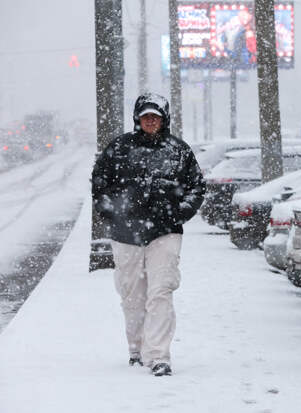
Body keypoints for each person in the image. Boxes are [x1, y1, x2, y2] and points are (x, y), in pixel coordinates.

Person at [91, 93, 206, 376]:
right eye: (146, 116)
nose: (150, 120)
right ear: (137, 118)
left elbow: (196, 187)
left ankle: (159, 356)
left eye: (155, 116)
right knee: (132, 295)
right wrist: (111, 213)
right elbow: (99, 184)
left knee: (161, 292)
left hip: (165, 233)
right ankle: (136, 348)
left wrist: (178, 213)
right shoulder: (119, 149)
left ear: (164, 119)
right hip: (126, 234)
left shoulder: (179, 150)